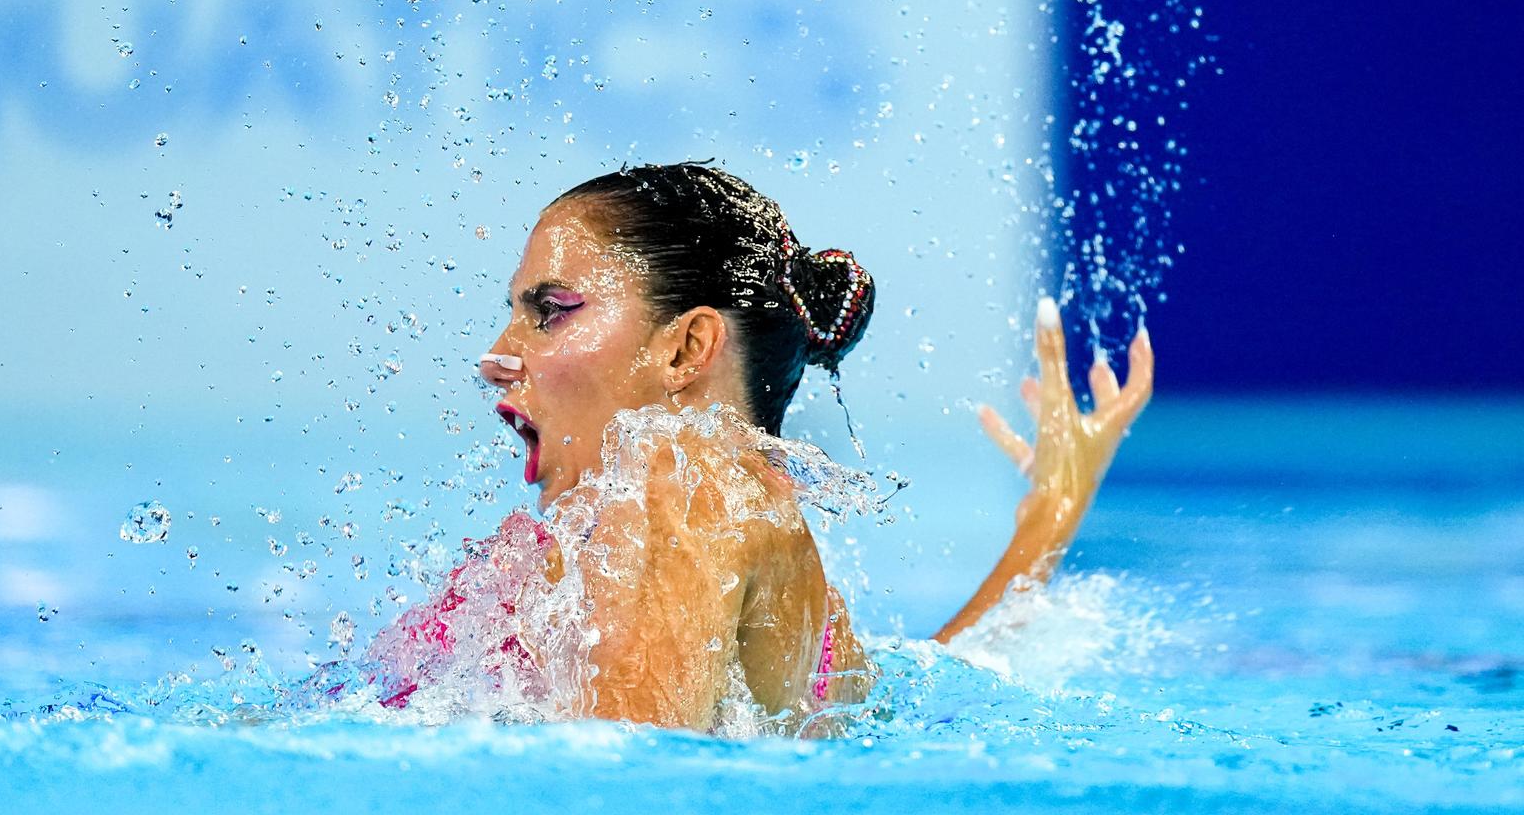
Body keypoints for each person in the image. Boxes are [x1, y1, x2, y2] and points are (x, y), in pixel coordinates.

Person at [340, 162, 1153, 731]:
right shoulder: (739, 522)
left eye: (551, 310)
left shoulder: (690, 486)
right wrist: (1049, 517)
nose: (499, 356)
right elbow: (915, 688)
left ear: (689, 349)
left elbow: (623, 784)